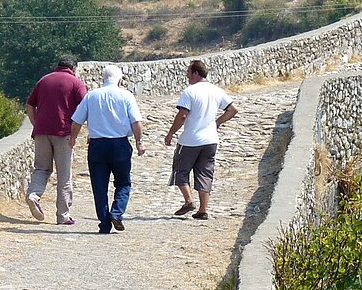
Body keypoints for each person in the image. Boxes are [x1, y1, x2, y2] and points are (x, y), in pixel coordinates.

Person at [70, 64, 146, 234]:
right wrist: (139, 142)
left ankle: (104, 223)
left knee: (99, 186)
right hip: (120, 144)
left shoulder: (92, 96)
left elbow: (76, 121)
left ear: (103, 78)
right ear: (120, 80)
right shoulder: (126, 95)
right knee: (123, 182)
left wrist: (73, 139)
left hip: (97, 146)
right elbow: (136, 122)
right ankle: (117, 213)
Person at [163, 59, 238, 221]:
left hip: (190, 140)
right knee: (205, 173)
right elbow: (232, 109)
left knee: (180, 170)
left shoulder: (190, 92)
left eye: (189, 73)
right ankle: (203, 209)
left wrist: (170, 133)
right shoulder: (217, 91)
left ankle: (189, 201)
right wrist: (218, 122)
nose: (187, 76)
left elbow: (182, 115)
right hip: (211, 140)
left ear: (196, 73)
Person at [25, 54, 88, 226]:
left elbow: (30, 105)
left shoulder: (44, 80)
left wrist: (36, 123)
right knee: (64, 175)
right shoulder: (76, 83)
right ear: (73, 68)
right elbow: (86, 106)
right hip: (64, 133)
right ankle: (63, 215)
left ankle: (33, 195)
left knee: (41, 169)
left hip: (41, 132)